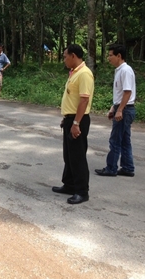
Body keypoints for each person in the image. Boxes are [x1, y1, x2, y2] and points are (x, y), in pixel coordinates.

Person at [52, 44, 95, 205]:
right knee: (68, 155)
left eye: (65, 56)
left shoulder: (84, 74)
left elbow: (84, 100)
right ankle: (69, 184)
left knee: (77, 157)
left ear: (74, 56)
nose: (64, 59)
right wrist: (68, 118)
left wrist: (76, 122)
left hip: (79, 120)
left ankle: (82, 191)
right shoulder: (74, 73)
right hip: (71, 119)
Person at [95, 44, 136, 177]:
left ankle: (111, 168)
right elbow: (120, 94)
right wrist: (114, 108)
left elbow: (127, 92)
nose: (108, 58)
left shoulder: (125, 70)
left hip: (125, 109)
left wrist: (120, 110)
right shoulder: (119, 70)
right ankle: (128, 167)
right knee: (124, 140)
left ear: (119, 56)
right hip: (122, 107)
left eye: (111, 55)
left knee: (115, 140)